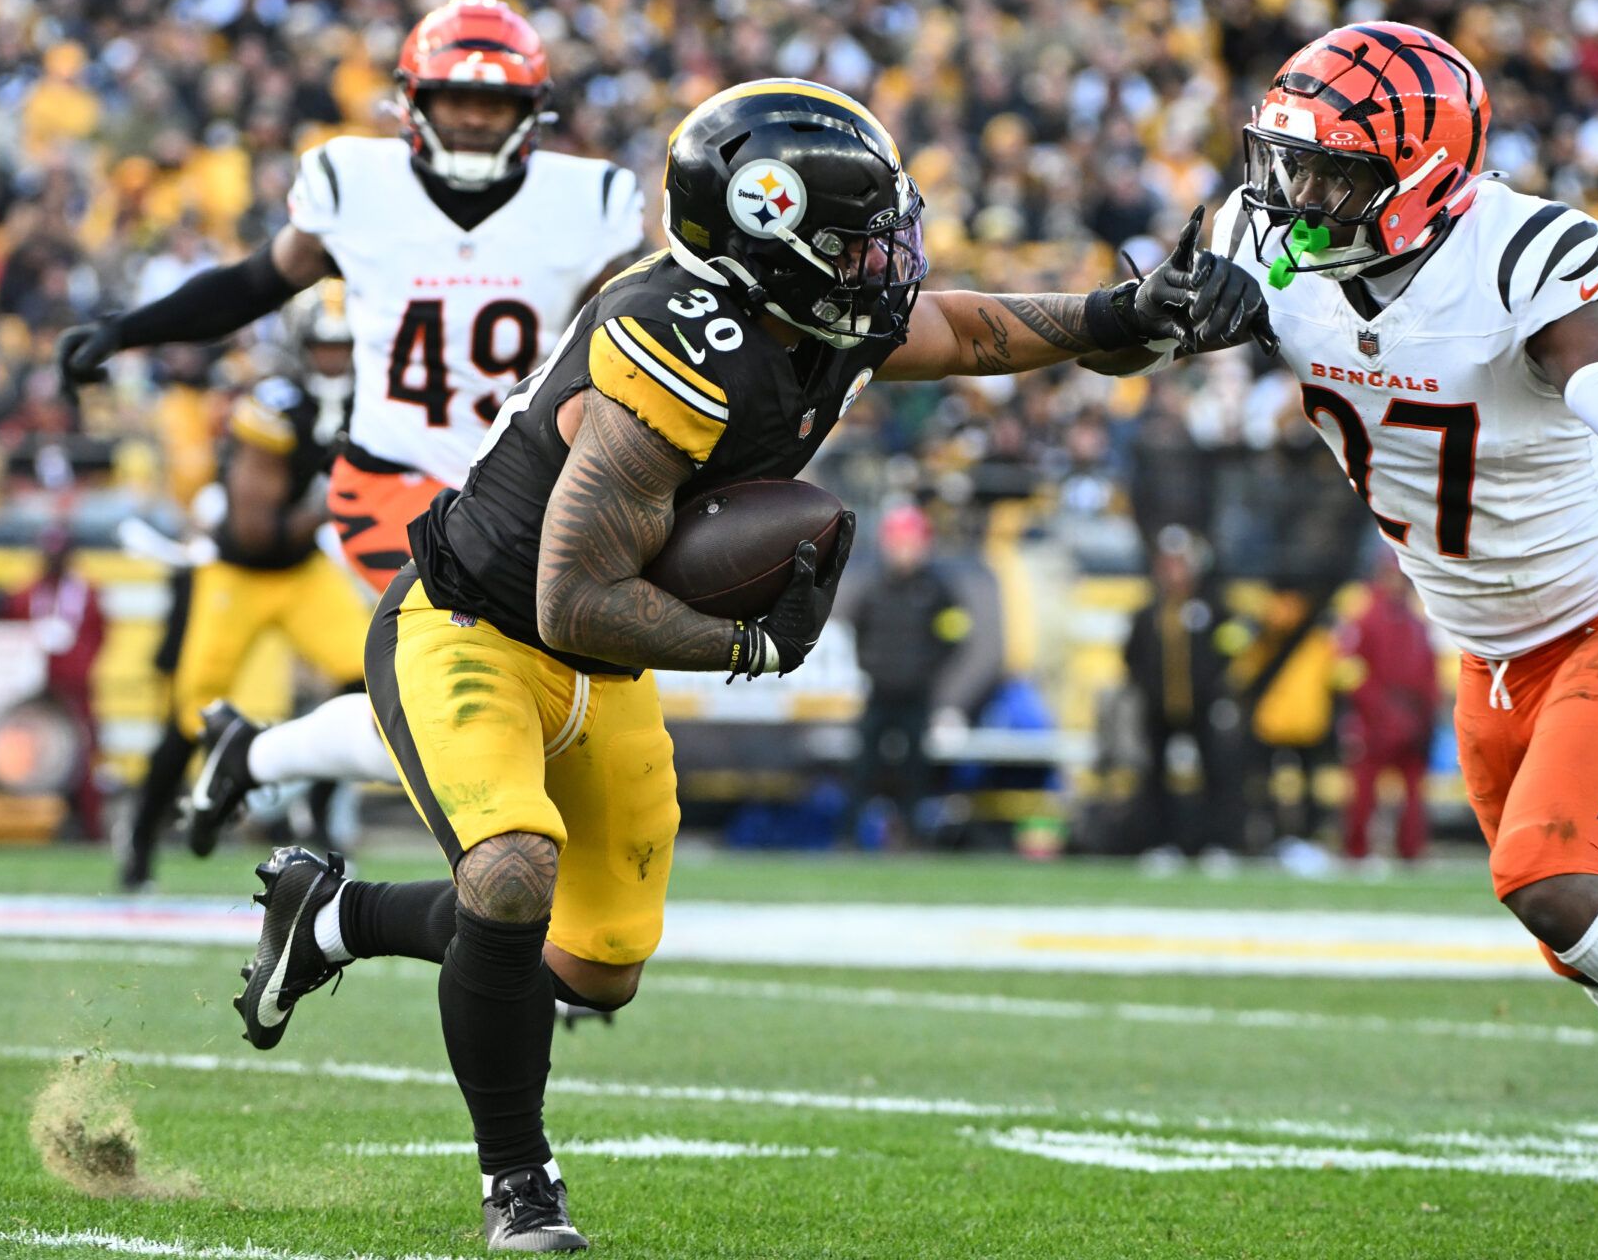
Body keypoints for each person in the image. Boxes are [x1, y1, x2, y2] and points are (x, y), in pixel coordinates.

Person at [224, 78, 1243, 1252]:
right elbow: (575, 594)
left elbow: (970, 329)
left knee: (593, 967)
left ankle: (332, 915)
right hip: (476, 631)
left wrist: (1132, 312)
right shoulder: (679, 340)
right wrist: (749, 642)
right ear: (768, 237)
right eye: (858, 243)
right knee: (510, 876)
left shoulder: (814, 322)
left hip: (596, 671)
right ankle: (520, 1183)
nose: (884, 263)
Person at [1092, 22, 1598, 1252]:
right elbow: (1137, 338)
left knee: (1549, 880)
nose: (1297, 194)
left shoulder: (1514, 250)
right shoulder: (1266, 234)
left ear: (1425, 174)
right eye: (1286, 162)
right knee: (1590, 938)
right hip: (1487, 646)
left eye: (1333, 172)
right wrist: (1168, 313)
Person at [53, 0, 646, 854]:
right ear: (414, 101)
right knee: (468, 691)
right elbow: (257, 283)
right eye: (456, 99)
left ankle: (254, 754)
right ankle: (494, 903)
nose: (476, 119)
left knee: (511, 701)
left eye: (496, 103)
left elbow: (648, 327)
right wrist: (126, 328)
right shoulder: (355, 184)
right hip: (392, 479)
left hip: (527, 491)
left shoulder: (590, 199)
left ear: (533, 110)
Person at [119, 370, 368, 886]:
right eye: (325, 347)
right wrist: (330, 504)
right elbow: (256, 533)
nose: (335, 358)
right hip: (241, 575)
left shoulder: (375, 392)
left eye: (343, 346)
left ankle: (318, 813)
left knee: (370, 671)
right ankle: (141, 842)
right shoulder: (279, 407)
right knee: (193, 710)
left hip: (303, 572)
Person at [843, 503, 971, 844]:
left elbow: (955, 635)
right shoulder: (874, 589)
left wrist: (926, 669)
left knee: (915, 771)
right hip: (880, 693)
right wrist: (871, 666)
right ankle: (851, 837)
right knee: (864, 768)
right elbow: (858, 630)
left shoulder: (935, 590)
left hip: (916, 696)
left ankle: (913, 838)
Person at [1122, 524, 1237, 859]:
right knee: (1155, 779)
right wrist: (1149, 690)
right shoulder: (1149, 613)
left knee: (1217, 775)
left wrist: (1215, 688)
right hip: (1160, 709)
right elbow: (1131, 656)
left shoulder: (1212, 608)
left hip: (1203, 706)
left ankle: (1217, 844)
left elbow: (1231, 651)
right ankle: (1161, 844)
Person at [1, 525, 104, 841]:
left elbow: (99, 637)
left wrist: (75, 669)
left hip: (75, 691)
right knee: (24, 758)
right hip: (33, 693)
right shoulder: (24, 596)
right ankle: (21, 830)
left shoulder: (87, 595)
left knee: (84, 759)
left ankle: (91, 831)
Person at [1338, 556, 1436, 863]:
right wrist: (1378, 711)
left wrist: (1422, 717)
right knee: (1364, 788)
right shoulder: (1365, 620)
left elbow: (1427, 674)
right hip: (1374, 720)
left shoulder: (1416, 623)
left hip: (1409, 719)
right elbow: (1352, 672)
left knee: (1412, 791)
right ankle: (1357, 849)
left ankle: (1410, 850)